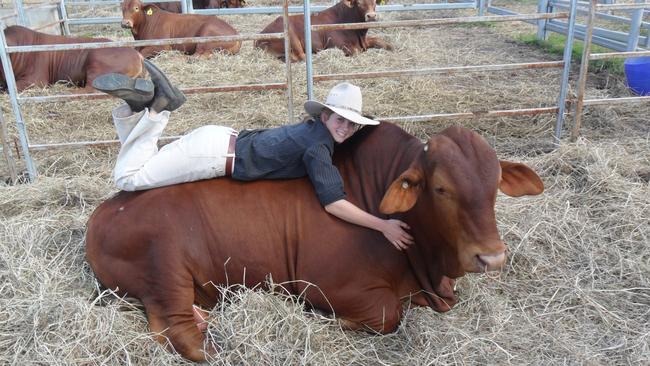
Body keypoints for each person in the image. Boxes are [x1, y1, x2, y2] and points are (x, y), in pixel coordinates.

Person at [92, 60, 413, 250]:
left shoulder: (313, 129)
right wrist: (382, 226)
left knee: (143, 162)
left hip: (218, 139)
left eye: (352, 124)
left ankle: (136, 107)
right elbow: (333, 202)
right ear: (326, 116)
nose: (345, 128)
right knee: (129, 177)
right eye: (340, 119)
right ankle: (158, 110)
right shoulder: (318, 147)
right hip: (214, 156)